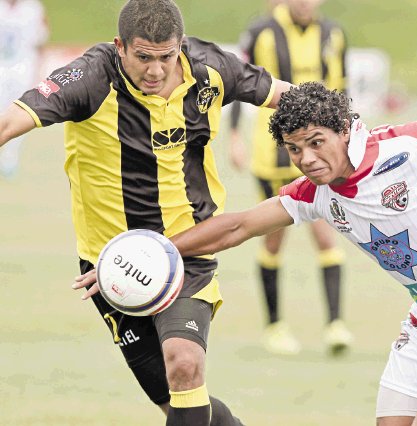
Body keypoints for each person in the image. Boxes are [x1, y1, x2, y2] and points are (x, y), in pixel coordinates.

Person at [77, 82, 417, 424]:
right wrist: (151, 249)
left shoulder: (409, 147)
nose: (306, 158)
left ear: (346, 131)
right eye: (294, 149)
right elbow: (238, 226)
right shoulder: (316, 194)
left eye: (317, 143)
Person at [0, 0, 293, 425]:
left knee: (184, 363)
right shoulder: (91, 77)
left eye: (166, 57)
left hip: (187, 249)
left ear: (180, 46)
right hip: (112, 265)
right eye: (143, 58)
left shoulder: (208, 68)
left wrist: (347, 123)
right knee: (175, 401)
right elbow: (10, 122)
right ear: (120, 47)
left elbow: (282, 95)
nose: (155, 70)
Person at [228, 0, 352, 356]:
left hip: (323, 157)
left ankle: (335, 325)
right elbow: (239, 83)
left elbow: (342, 91)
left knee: (327, 233)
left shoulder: (334, 34)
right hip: (273, 156)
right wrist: (234, 136)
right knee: (273, 240)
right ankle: (275, 326)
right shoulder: (261, 31)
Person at [0, 0, 49, 178]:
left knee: (21, 112)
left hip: (24, 66)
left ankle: (10, 157)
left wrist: (40, 70)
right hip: (1, 65)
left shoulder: (33, 8)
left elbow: (41, 39)